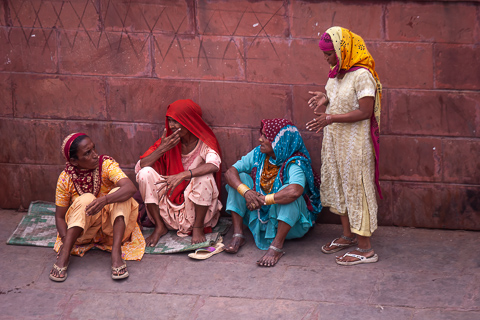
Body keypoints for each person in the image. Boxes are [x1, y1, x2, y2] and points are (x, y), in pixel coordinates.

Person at [306, 26, 382, 265]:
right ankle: (348, 236)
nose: (327, 59)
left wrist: (330, 118)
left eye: (329, 54)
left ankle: (366, 249)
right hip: (336, 142)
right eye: (325, 55)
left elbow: (365, 111)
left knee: (357, 189)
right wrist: (326, 99)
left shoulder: (362, 75)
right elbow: (340, 97)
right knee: (340, 186)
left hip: (355, 144)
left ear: (342, 50)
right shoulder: (337, 72)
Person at [224, 119, 321, 267]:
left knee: (289, 194)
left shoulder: (296, 162)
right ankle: (238, 234)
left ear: (279, 141)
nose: (260, 139)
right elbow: (230, 172)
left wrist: (264, 200)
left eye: (265, 136)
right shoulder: (259, 153)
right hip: (259, 214)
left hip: (290, 224)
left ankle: (277, 246)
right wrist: (246, 192)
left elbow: (295, 191)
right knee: (239, 180)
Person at [50, 133, 145, 282]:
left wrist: (105, 200)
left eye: (94, 149)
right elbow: (60, 217)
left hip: (113, 231)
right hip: (84, 234)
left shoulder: (105, 165)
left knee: (120, 194)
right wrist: (64, 241)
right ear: (74, 161)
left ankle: (116, 252)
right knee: (86, 198)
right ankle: (65, 254)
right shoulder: (66, 178)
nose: (95, 155)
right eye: (87, 153)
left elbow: (130, 188)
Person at [136, 99, 222, 247]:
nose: (172, 126)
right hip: (168, 208)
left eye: (177, 121)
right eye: (170, 121)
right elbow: (140, 166)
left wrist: (184, 174)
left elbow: (214, 164)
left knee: (205, 176)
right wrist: (161, 149)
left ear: (190, 121)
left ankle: (197, 227)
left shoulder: (204, 143)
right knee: (145, 173)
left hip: (194, 209)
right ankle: (159, 226)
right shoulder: (168, 141)